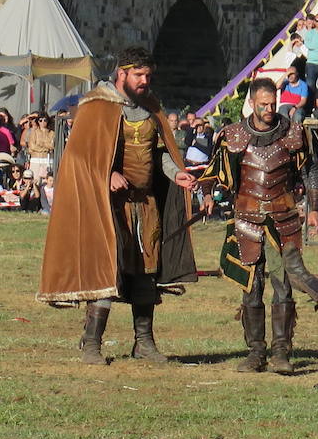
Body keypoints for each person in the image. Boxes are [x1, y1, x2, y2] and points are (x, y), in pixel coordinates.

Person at [37, 46, 198, 365]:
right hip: (108, 205)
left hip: (146, 203)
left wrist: (176, 173)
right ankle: (92, 342)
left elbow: (159, 152)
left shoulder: (151, 106)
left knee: (145, 273)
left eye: (148, 75)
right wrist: (107, 173)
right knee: (106, 268)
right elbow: (80, 157)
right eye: (139, 75)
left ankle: (144, 342)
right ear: (122, 73)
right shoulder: (97, 106)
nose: (144, 81)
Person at [198, 77, 318, 374]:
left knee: (283, 284)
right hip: (247, 218)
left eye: (272, 103)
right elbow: (213, 171)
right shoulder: (234, 134)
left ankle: (281, 352)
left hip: (284, 219)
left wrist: (315, 209)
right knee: (251, 286)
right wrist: (206, 195)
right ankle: (255, 352)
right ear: (252, 103)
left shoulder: (294, 133)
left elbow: (311, 172)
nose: (269, 109)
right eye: (263, 104)